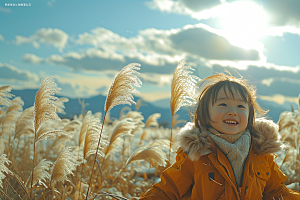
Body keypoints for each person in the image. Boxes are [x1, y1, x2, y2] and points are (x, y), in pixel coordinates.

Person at [139, 73, 300, 200]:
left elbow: (275, 191)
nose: (232, 111)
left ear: (250, 115)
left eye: (240, 106)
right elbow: (168, 191)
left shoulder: (261, 154)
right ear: (205, 113)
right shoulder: (196, 155)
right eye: (223, 104)